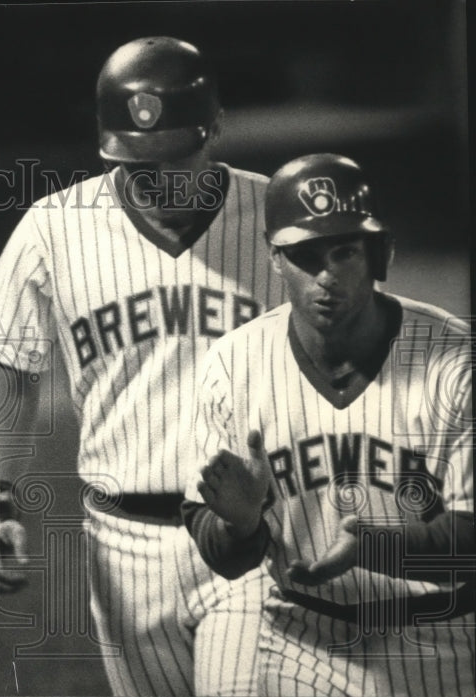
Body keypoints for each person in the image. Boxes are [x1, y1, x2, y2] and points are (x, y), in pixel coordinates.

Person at [0, 36, 285, 697]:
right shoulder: (54, 227)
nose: (157, 178)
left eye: (173, 158)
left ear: (215, 127)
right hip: (121, 546)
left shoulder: (277, 218)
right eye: (137, 164)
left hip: (254, 535)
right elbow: (9, 375)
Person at [184, 153, 474, 697]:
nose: (325, 276)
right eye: (303, 255)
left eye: (343, 252)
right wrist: (240, 527)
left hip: (441, 635)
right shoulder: (234, 364)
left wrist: (373, 549)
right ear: (274, 258)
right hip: (300, 636)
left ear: (379, 253)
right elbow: (218, 548)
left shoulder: (454, 362)